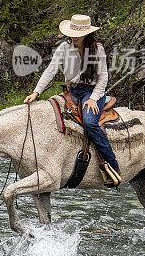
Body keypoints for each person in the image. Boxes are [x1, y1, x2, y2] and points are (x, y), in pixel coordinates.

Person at [23, 14, 121, 187]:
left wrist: (92, 99)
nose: (74, 36)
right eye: (73, 32)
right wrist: (36, 93)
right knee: (50, 114)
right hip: (73, 91)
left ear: (87, 34)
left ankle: (112, 165)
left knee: (90, 123)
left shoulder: (97, 49)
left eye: (78, 33)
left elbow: (103, 77)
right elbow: (51, 70)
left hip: (92, 91)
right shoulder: (64, 48)